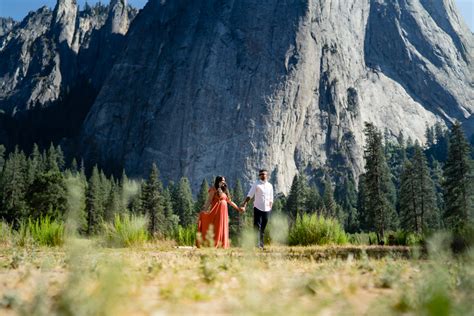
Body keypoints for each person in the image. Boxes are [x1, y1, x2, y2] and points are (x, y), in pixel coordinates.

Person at [197, 176, 243, 248]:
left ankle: (222, 244)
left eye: (224, 181)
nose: (224, 182)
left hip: (224, 212)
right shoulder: (213, 189)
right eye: (222, 181)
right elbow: (209, 201)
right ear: (218, 181)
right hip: (216, 211)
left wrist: (238, 208)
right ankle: (214, 243)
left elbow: (230, 201)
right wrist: (204, 210)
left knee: (223, 225)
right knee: (217, 226)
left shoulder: (225, 190)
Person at [241, 169, 273, 249]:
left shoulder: (270, 185)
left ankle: (261, 244)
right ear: (259, 176)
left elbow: (271, 197)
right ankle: (257, 244)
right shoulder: (256, 184)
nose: (262, 175)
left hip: (267, 209)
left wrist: (270, 206)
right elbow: (250, 194)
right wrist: (245, 203)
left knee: (263, 228)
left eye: (264, 174)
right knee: (257, 227)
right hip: (258, 208)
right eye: (261, 174)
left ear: (267, 175)